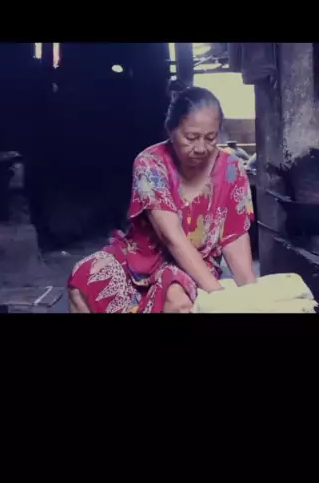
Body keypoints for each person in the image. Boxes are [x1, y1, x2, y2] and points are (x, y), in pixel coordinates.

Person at [68, 84, 256, 313]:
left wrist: (249, 295)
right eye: (191, 137)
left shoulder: (232, 169)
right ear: (170, 130)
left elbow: (234, 236)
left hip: (195, 263)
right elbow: (170, 236)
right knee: (83, 278)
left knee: (177, 299)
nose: (201, 148)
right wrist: (219, 296)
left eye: (210, 138)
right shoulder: (150, 163)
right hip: (142, 256)